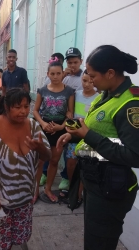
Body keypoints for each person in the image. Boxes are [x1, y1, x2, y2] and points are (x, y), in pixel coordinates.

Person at [57, 45, 139, 249]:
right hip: (96, 183)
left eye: (93, 76)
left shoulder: (130, 104)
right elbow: (101, 131)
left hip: (110, 191)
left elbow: (133, 155)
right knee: (93, 240)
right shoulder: (108, 94)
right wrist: (73, 135)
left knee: (99, 243)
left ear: (110, 73)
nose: (90, 81)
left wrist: (87, 134)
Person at [0, 88, 51, 249]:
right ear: (6, 107)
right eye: (17, 107)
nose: (23, 111)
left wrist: (40, 148)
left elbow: (47, 156)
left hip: (23, 197)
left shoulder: (33, 126)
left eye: (26, 106)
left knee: (18, 237)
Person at [33, 61, 74, 203]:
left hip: (59, 130)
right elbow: (35, 110)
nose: (55, 76)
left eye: (58, 73)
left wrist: (61, 127)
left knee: (54, 160)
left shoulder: (69, 91)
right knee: (40, 160)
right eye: (52, 74)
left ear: (63, 74)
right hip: (44, 129)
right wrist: (43, 124)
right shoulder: (42, 90)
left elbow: (70, 113)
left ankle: (48, 189)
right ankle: (35, 189)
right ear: (48, 74)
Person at [65, 70, 99, 208]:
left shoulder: (99, 98)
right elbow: (69, 112)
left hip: (88, 137)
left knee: (85, 165)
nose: (87, 84)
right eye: (84, 81)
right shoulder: (75, 95)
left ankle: (79, 193)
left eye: (91, 81)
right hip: (73, 135)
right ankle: (72, 187)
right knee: (71, 163)